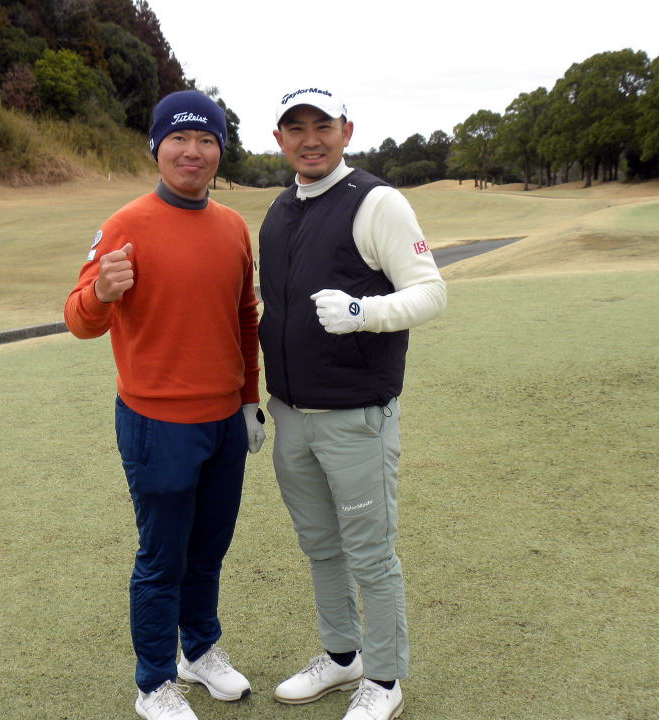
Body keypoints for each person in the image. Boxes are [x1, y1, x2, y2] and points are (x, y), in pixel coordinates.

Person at [64, 90, 265, 720]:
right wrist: (101, 292)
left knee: (209, 548)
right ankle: (154, 683)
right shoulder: (125, 225)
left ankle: (199, 651)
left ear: (219, 151)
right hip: (156, 423)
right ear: (156, 147)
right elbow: (78, 320)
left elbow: (244, 318)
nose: (193, 151)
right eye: (179, 138)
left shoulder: (233, 227)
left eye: (207, 139)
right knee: (162, 557)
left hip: (224, 422)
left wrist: (249, 401)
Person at [257, 87, 447, 720]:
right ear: (279, 139)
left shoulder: (377, 202)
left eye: (323, 125)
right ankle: (343, 658)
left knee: (370, 554)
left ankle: (385, 681)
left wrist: (362, 311)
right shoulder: (280, 209)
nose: (311, 139)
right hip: (291, 414)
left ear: (347, 131)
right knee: (320, 546)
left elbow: (430, 293)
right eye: (296, 128)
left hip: (356, 416)